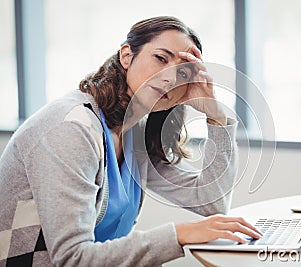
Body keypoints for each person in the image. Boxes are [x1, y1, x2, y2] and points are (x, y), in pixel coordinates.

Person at [0, 16, 261, 266]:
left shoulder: (134, 132)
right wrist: (180, 234)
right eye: (160, 58)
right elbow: (71, 258)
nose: (170, 78)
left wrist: (216, 116)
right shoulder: (70, 127)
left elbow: (210, 202)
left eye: (182, 74)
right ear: (127, 55)